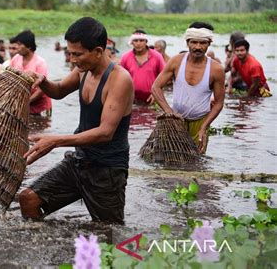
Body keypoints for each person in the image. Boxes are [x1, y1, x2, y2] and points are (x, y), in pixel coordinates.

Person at [18, 17, 133, 223]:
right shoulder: (83, 70)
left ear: (98, 51)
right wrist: (42, 82)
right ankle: (50, 249)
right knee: (28, 199)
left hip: (107, 170)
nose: (72, 59)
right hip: (79, 161)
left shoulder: (119, 79)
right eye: (70, 53)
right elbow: (60, 90)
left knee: (109, 232)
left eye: (77, 54)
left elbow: (105, 133)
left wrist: (55, 141)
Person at [151, 22, 225, 153]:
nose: (198, 47)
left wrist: (204, 127)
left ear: (209, 44)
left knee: (196, 159)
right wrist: (169, 112)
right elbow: (156, 87)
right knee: (172, 156)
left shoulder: (216, 69)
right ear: (187, 43)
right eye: (194, 42)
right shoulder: (176, 61)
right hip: (176, 120)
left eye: (202, 43)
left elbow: (219, 103)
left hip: (200, 121)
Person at [10, 30, 52, 116]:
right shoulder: (16, 59)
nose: (17, 47)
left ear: (29, 47)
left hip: (41, 107)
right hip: (24, 105)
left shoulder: (40, 63)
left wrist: (26, 101)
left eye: (20, 44)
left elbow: (41, 90)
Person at [120, 30, 165, 104]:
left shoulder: (157, 56)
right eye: (135, 40)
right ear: (132, 42)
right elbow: (120, 79)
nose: (138, 43)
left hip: (152, 98)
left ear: (146, 42)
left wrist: (157, 93)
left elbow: (164, 76)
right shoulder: (125, 57)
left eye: (141, 40)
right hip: (131, 99)